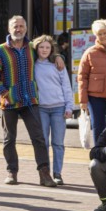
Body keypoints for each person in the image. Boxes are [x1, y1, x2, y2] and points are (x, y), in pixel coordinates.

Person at [0, 16, 56, 187]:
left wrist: (59, 57)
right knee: (9, 139)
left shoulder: (32, 47)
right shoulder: (0, 50)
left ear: (26, 28)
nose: (18, 29)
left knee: (39, 138)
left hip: (30, 100)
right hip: (9, 102)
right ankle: (12, 172)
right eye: (15, 26)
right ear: (9, 28)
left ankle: (44, 174)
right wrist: (4, 92)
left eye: (21, 26)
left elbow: (47, 53)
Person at [33, 35, 74, 186]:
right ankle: (46, 174)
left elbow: (66, 86)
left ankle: (58, 173)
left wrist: (69, 106)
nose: (44, 50)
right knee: (43, 143)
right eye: (41, 47)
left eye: (47, 47)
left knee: (58, 143)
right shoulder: (33, 64)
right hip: (41, 109)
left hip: (59, 107)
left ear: (52, 49)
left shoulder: (58, 64)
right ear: (36, 48)